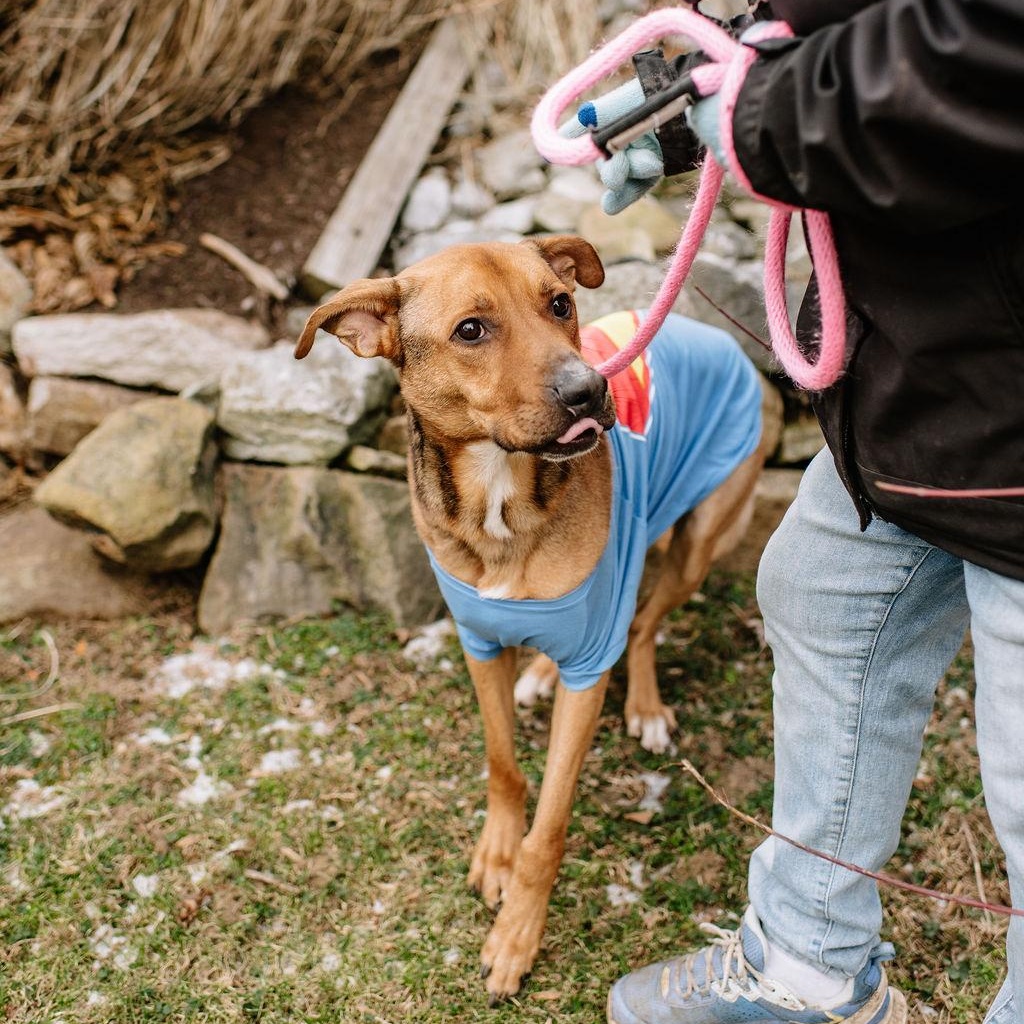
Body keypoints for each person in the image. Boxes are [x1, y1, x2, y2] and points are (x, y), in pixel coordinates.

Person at [564, 2, 1024, 1022]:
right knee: (823, 590)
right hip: (932, 388)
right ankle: (809, 964)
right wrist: (692, 113)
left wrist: (769, 112)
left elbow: (985, 45)